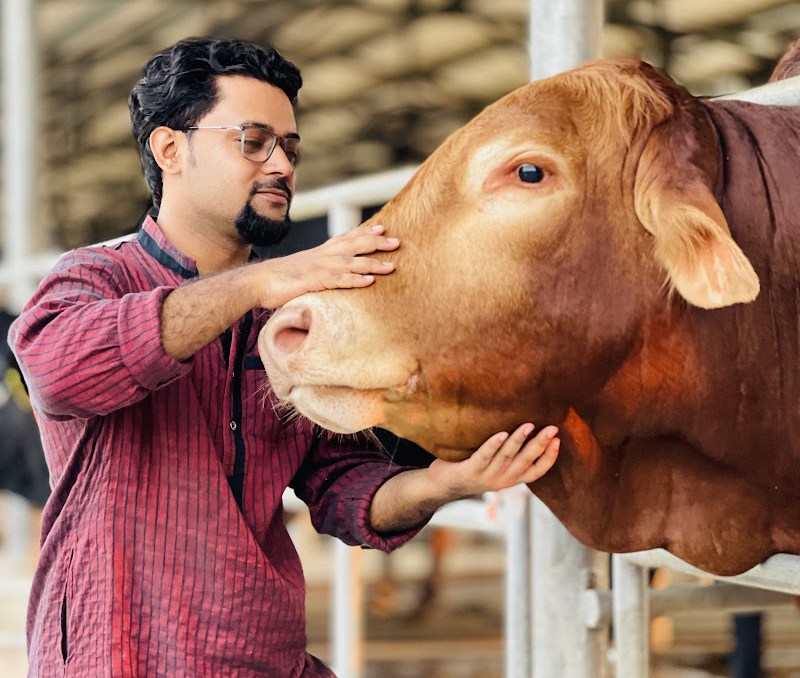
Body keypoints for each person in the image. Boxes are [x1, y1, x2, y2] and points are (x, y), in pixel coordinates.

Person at [9, 37, 561, 678]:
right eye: (252, 141)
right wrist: (254, 283)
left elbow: (338, 484)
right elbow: (57, 372)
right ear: (170, 150)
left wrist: (441, 485)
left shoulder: (289, 316)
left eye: (290, 147)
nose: (281, 165)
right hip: (122, 656)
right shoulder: (95, 278)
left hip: (262, 656)